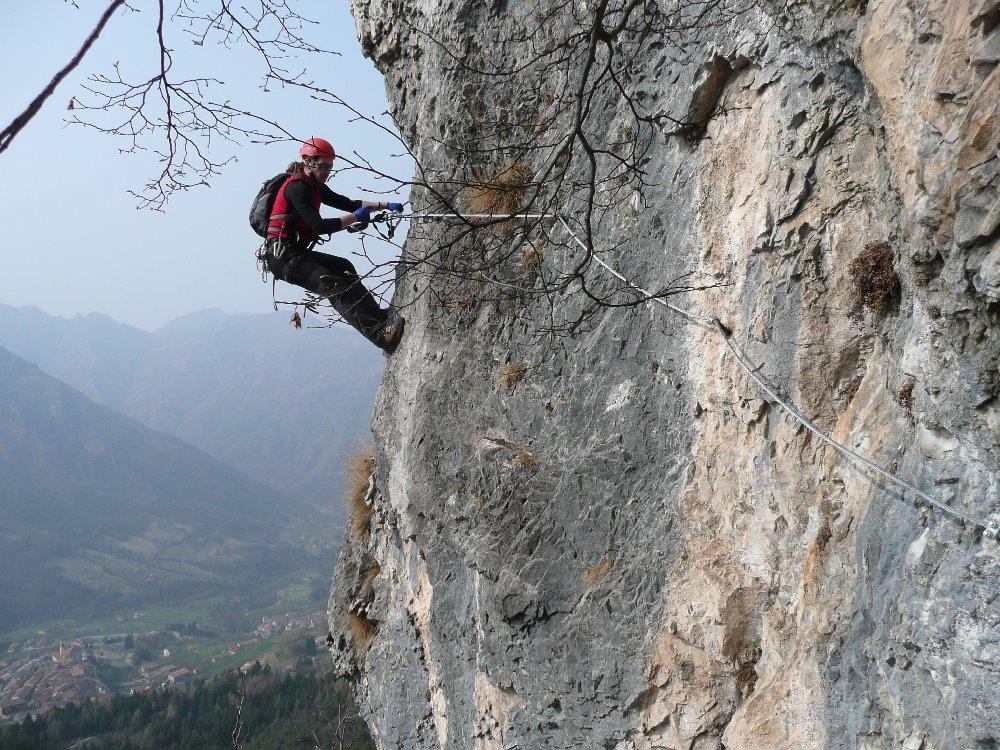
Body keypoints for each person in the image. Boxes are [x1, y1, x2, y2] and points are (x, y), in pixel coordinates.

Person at [263, 136, 405, 353]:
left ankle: (379, 317)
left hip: (295, 253)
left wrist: (384, 205)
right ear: (308, 162)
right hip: (283, 259)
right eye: (322, 165)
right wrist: (356, 218)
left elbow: (347, 203)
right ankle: (380, 336)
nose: (327, 171)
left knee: (343, 267)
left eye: (330, 166)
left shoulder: (315, 186)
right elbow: (319, 226)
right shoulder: (296, 188)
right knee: (332, 285)